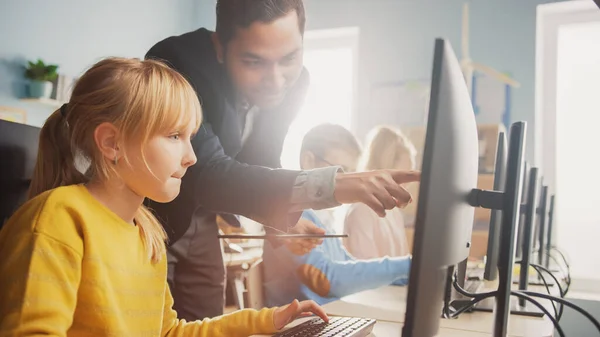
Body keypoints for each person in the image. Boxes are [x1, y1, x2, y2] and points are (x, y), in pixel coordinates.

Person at [0, 57, 328, 336]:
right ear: (112, 143)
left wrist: (267, 320)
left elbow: (169, 332)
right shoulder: (59, 219)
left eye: (190, 137)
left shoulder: (147, 233)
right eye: (174, 136)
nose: (192, 157)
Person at [145, 0, 420, 320]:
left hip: (203, 215)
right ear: (219, 48)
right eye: (253, 62)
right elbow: (206, 171)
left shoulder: (296, 82)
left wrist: (282, 217)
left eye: (289, 58)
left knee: (206, 319)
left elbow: (261, 157)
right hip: (155, 214)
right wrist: (333, 184)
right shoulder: (179, 61)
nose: (276, 80)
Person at [262, 124, 411, 306]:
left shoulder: (323, 219)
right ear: (308, 161)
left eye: (353, 173)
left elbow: (348, 264)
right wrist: (407, 265)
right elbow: (327, 279)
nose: (351, 182)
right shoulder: (290, 218)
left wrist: (406, 275)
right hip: (296, 326)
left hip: (330, 318)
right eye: (342, 171)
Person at [344, 126, 418, 259]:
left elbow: (403, 262)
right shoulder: (361, 210)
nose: (407, 187)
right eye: (403, 179)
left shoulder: (394, 212)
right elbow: (366, 272)